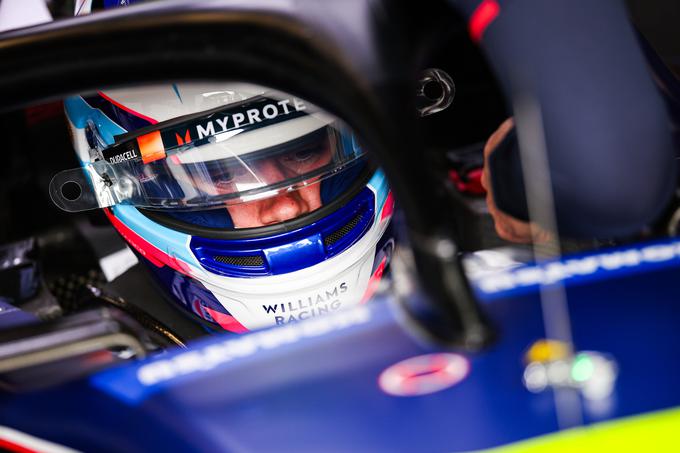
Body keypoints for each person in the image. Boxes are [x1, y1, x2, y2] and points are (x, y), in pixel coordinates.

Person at [59, 83, 395, 333]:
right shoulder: (105, 352)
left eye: (304, 151)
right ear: (112, 179)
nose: (282, 209)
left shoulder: (442, 243)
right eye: (220, 175)